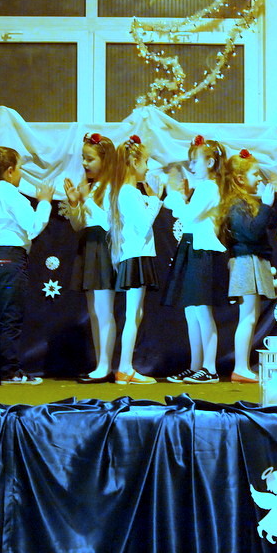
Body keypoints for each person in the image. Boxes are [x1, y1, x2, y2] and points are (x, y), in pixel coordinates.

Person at [0, 146, 52, 384]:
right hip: (9, 258)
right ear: (10, 171)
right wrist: (44, 202)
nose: (20, 174)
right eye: (20, 168)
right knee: (10, 316)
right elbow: (33, 227)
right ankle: (9, 371)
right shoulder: (13, 196)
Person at [162, 135, 229, 385]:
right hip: (192, 247)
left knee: (201, 310)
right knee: (191, 311)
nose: (191, 166)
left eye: (194, 161)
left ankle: (209, 368)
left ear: (210, 162)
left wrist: (174, 196)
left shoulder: (210, 187)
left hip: (203, 251)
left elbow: (189, 215)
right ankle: (195, 366)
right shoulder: (202, 188)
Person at [222, 148, 277, 383]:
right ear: (239, 178)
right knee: (246, 317)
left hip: (252, 260)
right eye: (255, 174)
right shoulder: (236, 204)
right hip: (245, 261)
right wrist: (265, 205)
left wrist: (273, 200)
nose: (258, 178)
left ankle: (243, 366)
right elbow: (252, 232)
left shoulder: (246, 202)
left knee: (251, 317)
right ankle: (240, 367)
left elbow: (270, 224)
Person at [62, 133, 117, 384]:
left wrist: (86, 200)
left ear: (106, 160)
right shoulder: (91, 187)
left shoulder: (112, 187)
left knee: (104, 310)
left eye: (90, 158)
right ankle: (100, 364)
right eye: (83, 158)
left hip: (104, 247)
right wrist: (75, 204)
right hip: (89, 246)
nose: (85, 163)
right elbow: (79, 225)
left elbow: (108, 222)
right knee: (94, 311)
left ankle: (105, 366)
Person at [109, 135, 163, 384]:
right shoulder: (128, 192)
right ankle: (124, 368)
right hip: (135, 255)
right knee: (133, 314)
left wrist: (151, 199)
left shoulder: (129, 192)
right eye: (145, 162)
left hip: (138, 254)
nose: (148, 167)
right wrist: (156, 199)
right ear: (133, 162)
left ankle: (126, 366)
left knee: (136, 313)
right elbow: (143, 225)